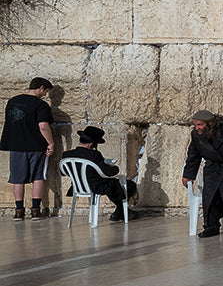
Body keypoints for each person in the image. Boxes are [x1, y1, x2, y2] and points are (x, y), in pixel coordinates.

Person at [1, 77, 55, 220]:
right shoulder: (41, 105)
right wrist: (51, 143)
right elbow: (43, 126)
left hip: (16, 146)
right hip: (36, 146)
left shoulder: (12, 102)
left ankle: (19, 211)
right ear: (41, 88)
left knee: (17, 178)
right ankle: (35, 211)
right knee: (38, 176)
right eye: (46, 92)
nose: (45, 95)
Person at [62, 126, 137, 221]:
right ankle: (120, 211)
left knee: (114, 187)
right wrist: (113, 167)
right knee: (129, 185)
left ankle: (120, 212)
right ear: (91, 144)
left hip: (77, 187)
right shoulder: (94, 155)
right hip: (97, 186)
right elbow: (109, 173)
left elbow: (63, 172)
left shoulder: (66, 155)